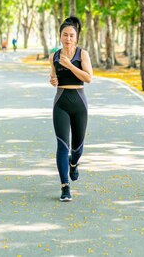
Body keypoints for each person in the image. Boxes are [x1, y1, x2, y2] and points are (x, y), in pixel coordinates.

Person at [49, 16, 93, 201]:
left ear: (76, 38)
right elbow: (53, 77)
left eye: (71, 35)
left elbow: (88, 78)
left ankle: (73, 164)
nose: (68, 38)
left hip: (79, 102)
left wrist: (69, 66)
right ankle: (64, 187)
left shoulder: (82, 54)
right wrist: (52, 80)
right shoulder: (54, 56)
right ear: (60, 36)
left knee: (77, 148)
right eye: (65, 35)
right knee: (62, 145)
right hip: (61, 103)